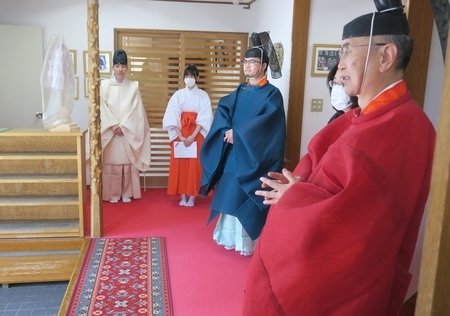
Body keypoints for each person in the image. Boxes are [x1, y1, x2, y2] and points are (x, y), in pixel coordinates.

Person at [242, 1, 436, 315]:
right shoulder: (364, 117)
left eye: (346, 50)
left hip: (344, 286)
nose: (339, 64)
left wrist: (296, 196)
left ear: (386, 56)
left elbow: (357, 222)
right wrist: (301, 182)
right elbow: (323, 170)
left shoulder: (401, 127)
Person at [199, 46, 286, 256]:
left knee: (247, 196)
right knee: (229, 194)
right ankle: (228, 238)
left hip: (254, 157)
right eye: (245, 61)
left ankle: (246, 244)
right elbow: (224, 112)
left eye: (253, 62)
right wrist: (227, 130)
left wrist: (239, 133)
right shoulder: (239, 91)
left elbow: (268, 125)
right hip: (233, 154)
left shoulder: (272, 94)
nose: (247, 65)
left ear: (263, 66)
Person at [100, 49, 151, 203]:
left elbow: (137, 110)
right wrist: (114, 125)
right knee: (112, 164)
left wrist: (124, 126)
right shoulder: (103, 86)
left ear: (127, 67)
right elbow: (102, 108)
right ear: (112, 67)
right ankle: (112, 194)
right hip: (111, 131)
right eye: (117, 66)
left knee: (128, 163)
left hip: (127, 131)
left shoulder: (133, 87)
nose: (120, 69)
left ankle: (127, 192)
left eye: (123, 66)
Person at [162, 64, 213, 207]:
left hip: (196, 134)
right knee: (181, 165)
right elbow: (173, 116)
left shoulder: (203, 96)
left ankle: (192, 195)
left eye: (192, 76)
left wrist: (193, 136)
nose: (189, 79)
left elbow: (204, 118)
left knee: (194, 165)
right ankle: (182, 195)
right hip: (181, 132)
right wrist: (181, 136)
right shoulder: (178, 95)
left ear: (198, 77)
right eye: (187, 76)